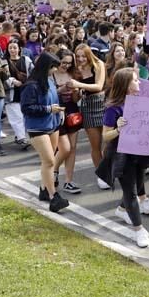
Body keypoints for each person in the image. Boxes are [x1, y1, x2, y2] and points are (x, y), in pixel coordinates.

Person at [101, 68, 149, 248]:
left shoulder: (140, 101)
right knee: (131, 193)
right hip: (122, 155)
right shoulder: (112, 108)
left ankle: (122, 209)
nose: (139, 82)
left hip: (140, 152)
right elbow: (105, 136)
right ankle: (139, 230)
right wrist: (118, 129)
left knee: (138, 186)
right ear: (126, 85)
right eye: (136, 80)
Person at [21, 51, 69, 214]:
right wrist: (49, 109)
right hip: (37, 127)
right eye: (53, 67)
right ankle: (53, 196)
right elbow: (26, 108)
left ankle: (43, 189)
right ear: (45, 67)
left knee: (47, 161)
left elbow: (54, 99)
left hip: (52, 124)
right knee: (49, 161)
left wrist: (59, 110)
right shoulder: (31, 85)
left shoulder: (49, 80)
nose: (55, 70)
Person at [71, 44, 107, 188]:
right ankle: (101, 175)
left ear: (89, 54)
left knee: (109, 143)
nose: (80, 59)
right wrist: (75, 91)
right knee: (95, 144)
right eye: (78, 56)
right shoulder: (76, 70)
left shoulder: (99, 64)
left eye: (83, 56)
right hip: (87, 106)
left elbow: (99, 86)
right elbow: (75, 99)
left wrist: (79, 84)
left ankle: (109, 169)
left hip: (102, 104)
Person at [52, 49, 83, 194]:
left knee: (72, 148)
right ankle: (54, 170)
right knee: (63, 148)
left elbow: (76, 100)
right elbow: (49, 94)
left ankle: (69, 181)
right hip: (56, 112)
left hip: (72, 111)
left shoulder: (73, 74)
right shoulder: (51, 74)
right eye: (63, 62)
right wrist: (62, 89)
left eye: (69, 63)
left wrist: (76, 92)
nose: (65, 65)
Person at [4, 39, 33, 149]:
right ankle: (21, 138)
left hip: (25, 91)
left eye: (15, 47)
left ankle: (19, 135)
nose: (12, 50)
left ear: (19, 49)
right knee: (16, 117)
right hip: (11, 93)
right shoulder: (4, 62)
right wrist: (12, 81)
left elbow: (32, 73)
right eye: (10, 48)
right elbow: (3, 77)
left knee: (25, 116)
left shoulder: (26, 60)